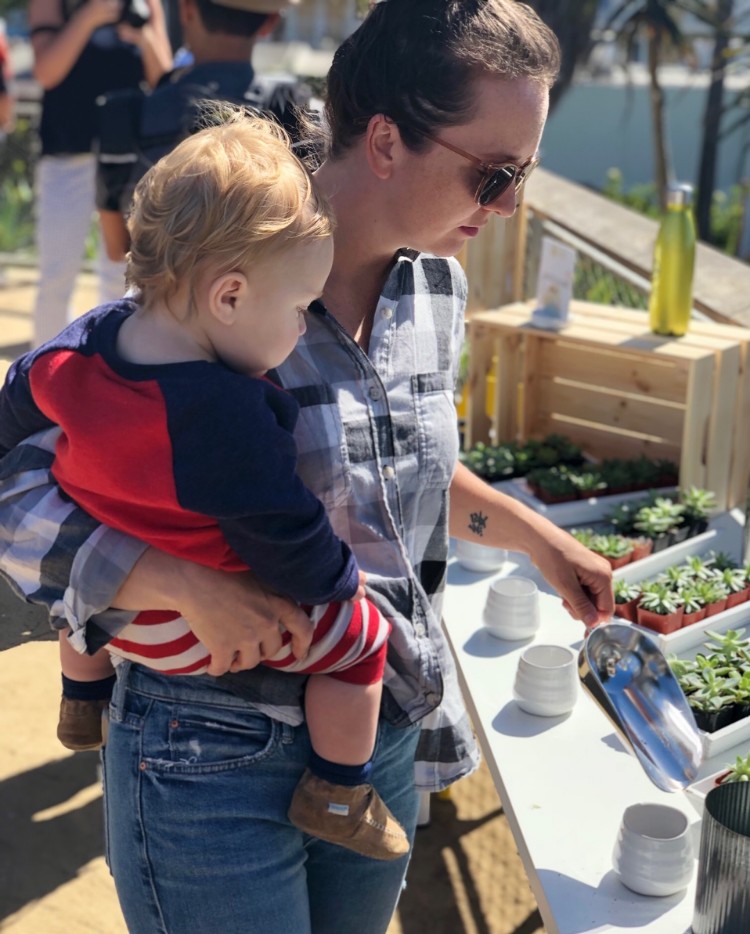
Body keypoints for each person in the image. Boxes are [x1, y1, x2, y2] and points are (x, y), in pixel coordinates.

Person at [0, 2, 613, 931]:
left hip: (378, 734)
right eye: (495, 175)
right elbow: (16, 487)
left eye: (522, 175)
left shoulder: (436, 287)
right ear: (385, 140)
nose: (509, 206)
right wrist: (175, 583)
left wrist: (536, 539)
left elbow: (391, 468)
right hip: (208, 748)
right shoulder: (225, 278)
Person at [0, 111, 409, 861]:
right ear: (229, 296)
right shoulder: (226, 416)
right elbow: (282, 533)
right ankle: (339, 790)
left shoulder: (75, 354)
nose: (300, 329)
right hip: (194, 634)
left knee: (78, 569)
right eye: (297, 308)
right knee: (361, 642)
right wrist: (339, 582)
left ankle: (82, 698)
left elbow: (14, 407)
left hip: (105, 618)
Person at [94, 0, 316, 263]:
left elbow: (117, 247)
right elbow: (303, 229)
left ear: (187, 10)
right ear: (271, 22)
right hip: (253, 282)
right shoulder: (289, 110)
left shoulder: (124, 114)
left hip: (160, 283)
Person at [28, 0, 172, 347]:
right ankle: (44, 369)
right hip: (66, 153)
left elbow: (165, 82)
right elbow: (46, 72)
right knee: (56, 274)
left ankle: (115, 364)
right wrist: (90, 15)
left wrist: (143, 36)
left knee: (124, 275)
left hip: (127, 156)